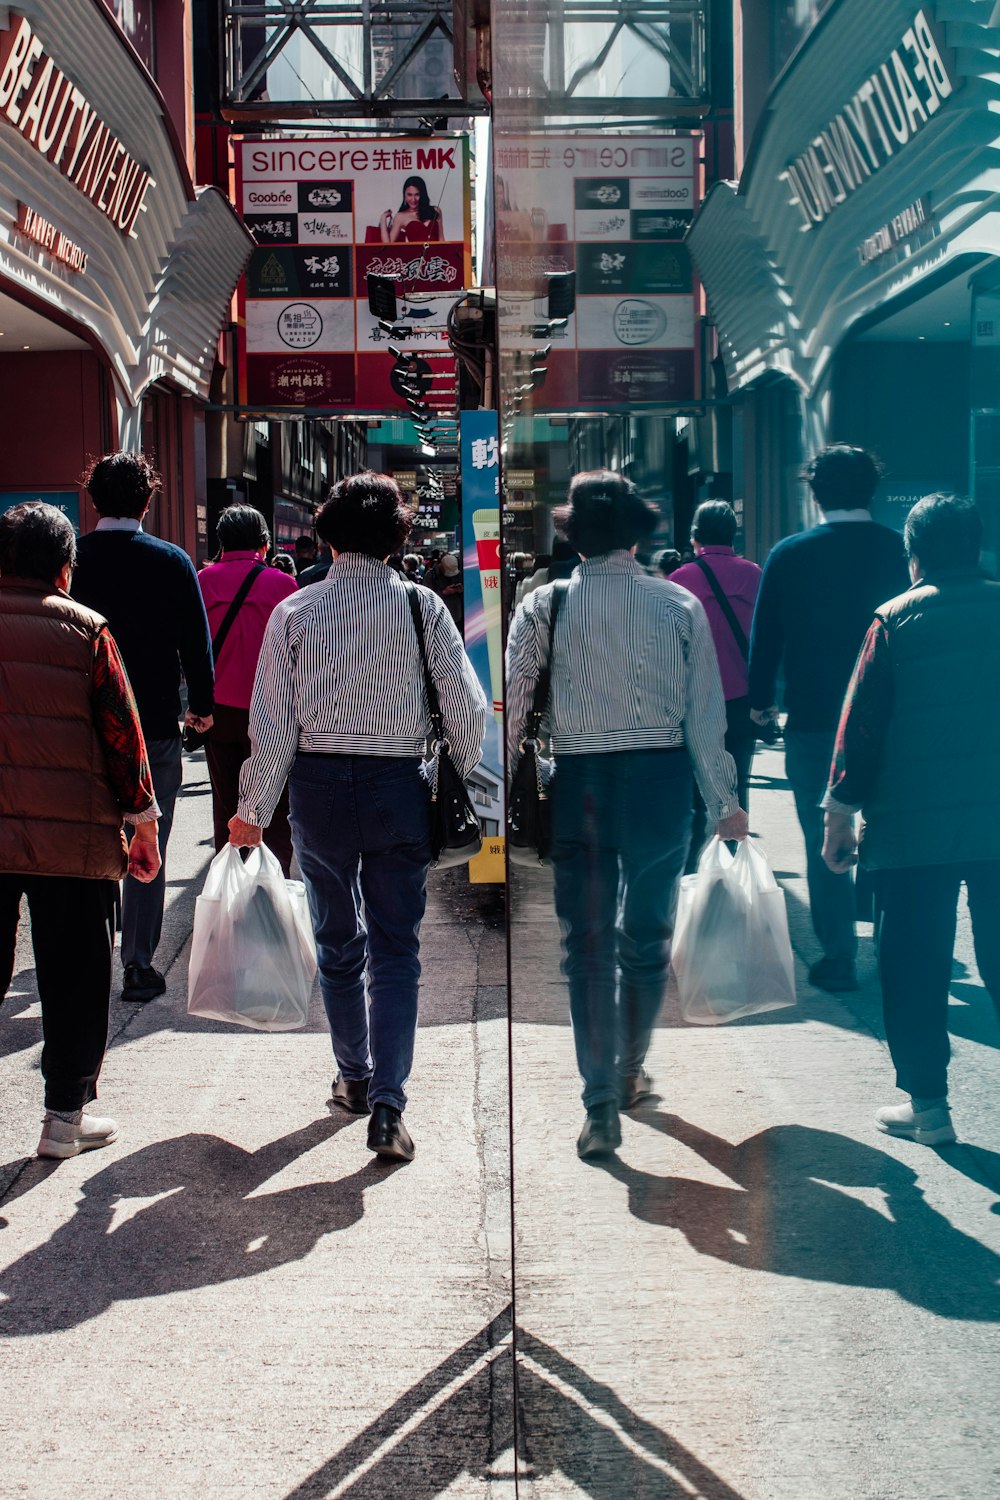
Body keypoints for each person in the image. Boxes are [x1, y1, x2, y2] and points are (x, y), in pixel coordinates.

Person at [228, 473, 486, 1163]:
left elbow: (272, 725)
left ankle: (353, 1074)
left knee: (338, 944)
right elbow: (466, 712)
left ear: (327, 534)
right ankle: (388, 1108)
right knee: (397, 950)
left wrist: (252, 809)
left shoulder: (296, 613)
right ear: (397, 537)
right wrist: (477, 785)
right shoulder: (422, 607)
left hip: (318, 791)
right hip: (398, 785)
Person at [506, 471, 748, 1161]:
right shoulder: (677, 605)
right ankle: (629, 1067)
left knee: (586, 946)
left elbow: (516, 704)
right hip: (661, 784)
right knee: (645, 937)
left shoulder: (544, 606)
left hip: (580, 781)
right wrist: (725, 802)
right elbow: (706, 715)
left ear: (573, 534)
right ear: (640, 533)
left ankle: (600, 1104)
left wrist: (488, 788)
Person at [822, 495, 1000, 1146]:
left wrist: (837, 817)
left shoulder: (893, 623)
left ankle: (930, 1110)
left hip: (911, 830)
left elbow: (860, 732)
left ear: (914, 554)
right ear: (977, 544)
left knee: (915, 964)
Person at [0, 502, 161, 1158]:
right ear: (66, 569)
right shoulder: (88, 631)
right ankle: (64, 1120)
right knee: (74, 973)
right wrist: (144, 824)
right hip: (74, 840)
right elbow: (123, 740)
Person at [748, 444, 908, 993]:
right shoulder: (898, 551)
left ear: (813, 493)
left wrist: (761, 700)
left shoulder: (791, 554)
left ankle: (839, 953)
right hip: (895, 721)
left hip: (817, 720)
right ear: (872, 489)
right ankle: (897, 949)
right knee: (892, 833)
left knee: (826, 834)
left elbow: (765, 637)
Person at [72, 451, 214, 1004]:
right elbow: (195, 645)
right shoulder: (172, 561)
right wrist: (200, 706)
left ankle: (85, 958)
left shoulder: (74, 559)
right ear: (148, 501)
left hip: (81, 727)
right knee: (148, 837)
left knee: (86, 841)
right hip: (152, 725)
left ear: (93, 500)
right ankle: (137, 963)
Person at [198, 506, 298, 874]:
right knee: (274, 800)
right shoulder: (283, 584)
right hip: (272, 711)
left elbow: (194, 649)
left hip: (219, 710)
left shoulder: (204, 581)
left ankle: (231, 880)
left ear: (221, 543)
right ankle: (272, 886)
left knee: (226, 801)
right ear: (265, 543)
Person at [671, 501, 763, 870]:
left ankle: (693, 873)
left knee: (694, 791)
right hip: (741, 700)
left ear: (694, 538)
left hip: (693, 701)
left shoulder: (679, 580)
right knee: (738, 781)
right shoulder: (755, 575)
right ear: (733, 535)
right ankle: (733, 864)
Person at [380, 176, 444, 244]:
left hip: (437, 254)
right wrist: (383, 218)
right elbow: (388, 245)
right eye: (409, 195)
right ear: (404, 194)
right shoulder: (400, 216)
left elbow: (441, 239)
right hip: (417, 254)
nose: (413, 199)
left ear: (422, 194)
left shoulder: (436, 210)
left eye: (417, 194)